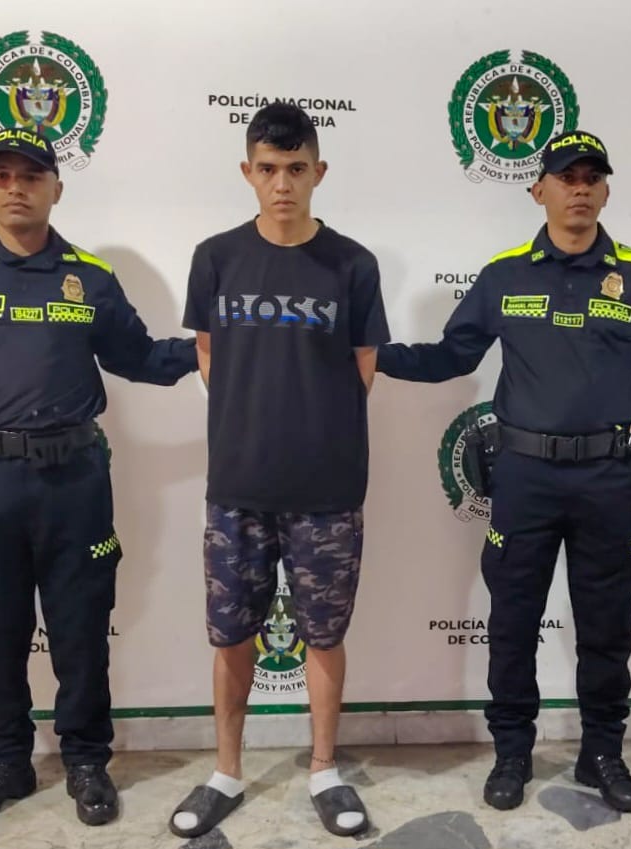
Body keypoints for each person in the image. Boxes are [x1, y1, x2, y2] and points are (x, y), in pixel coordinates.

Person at [0, 128, 198, 828]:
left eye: (30, 176)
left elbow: (140, 358)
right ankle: (5, 762)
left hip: (75, 482)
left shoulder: (90, 278)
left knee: (80, 628)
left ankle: (86, 760)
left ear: (57, 187)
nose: (15, 188)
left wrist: (211, 347)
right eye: (0, 175)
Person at [377, 130, 631, 814]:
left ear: (605, 191)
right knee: (513, 621)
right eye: (566, 177)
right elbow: (451, 356)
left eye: (591, 178)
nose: (579, 189)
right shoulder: (504, 275)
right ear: (537, 189)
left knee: (607, 625)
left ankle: (602, 752)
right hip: (524, 477)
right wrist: (373, 356)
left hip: (609, 479)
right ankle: (512, 751)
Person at [169, 102, 390, 839]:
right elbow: (207, 351)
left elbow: (363, 365)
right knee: (230, 634)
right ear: (247, 171)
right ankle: (226, 771)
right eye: (268, 169)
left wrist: (312, 428)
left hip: (327, 490)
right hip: (237, 488)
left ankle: (324, 769)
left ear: (318, 171)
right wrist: (251, 421)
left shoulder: (353, 263)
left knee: (323, 635)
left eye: (297, 169)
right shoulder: (215, 257)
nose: (282, 184)